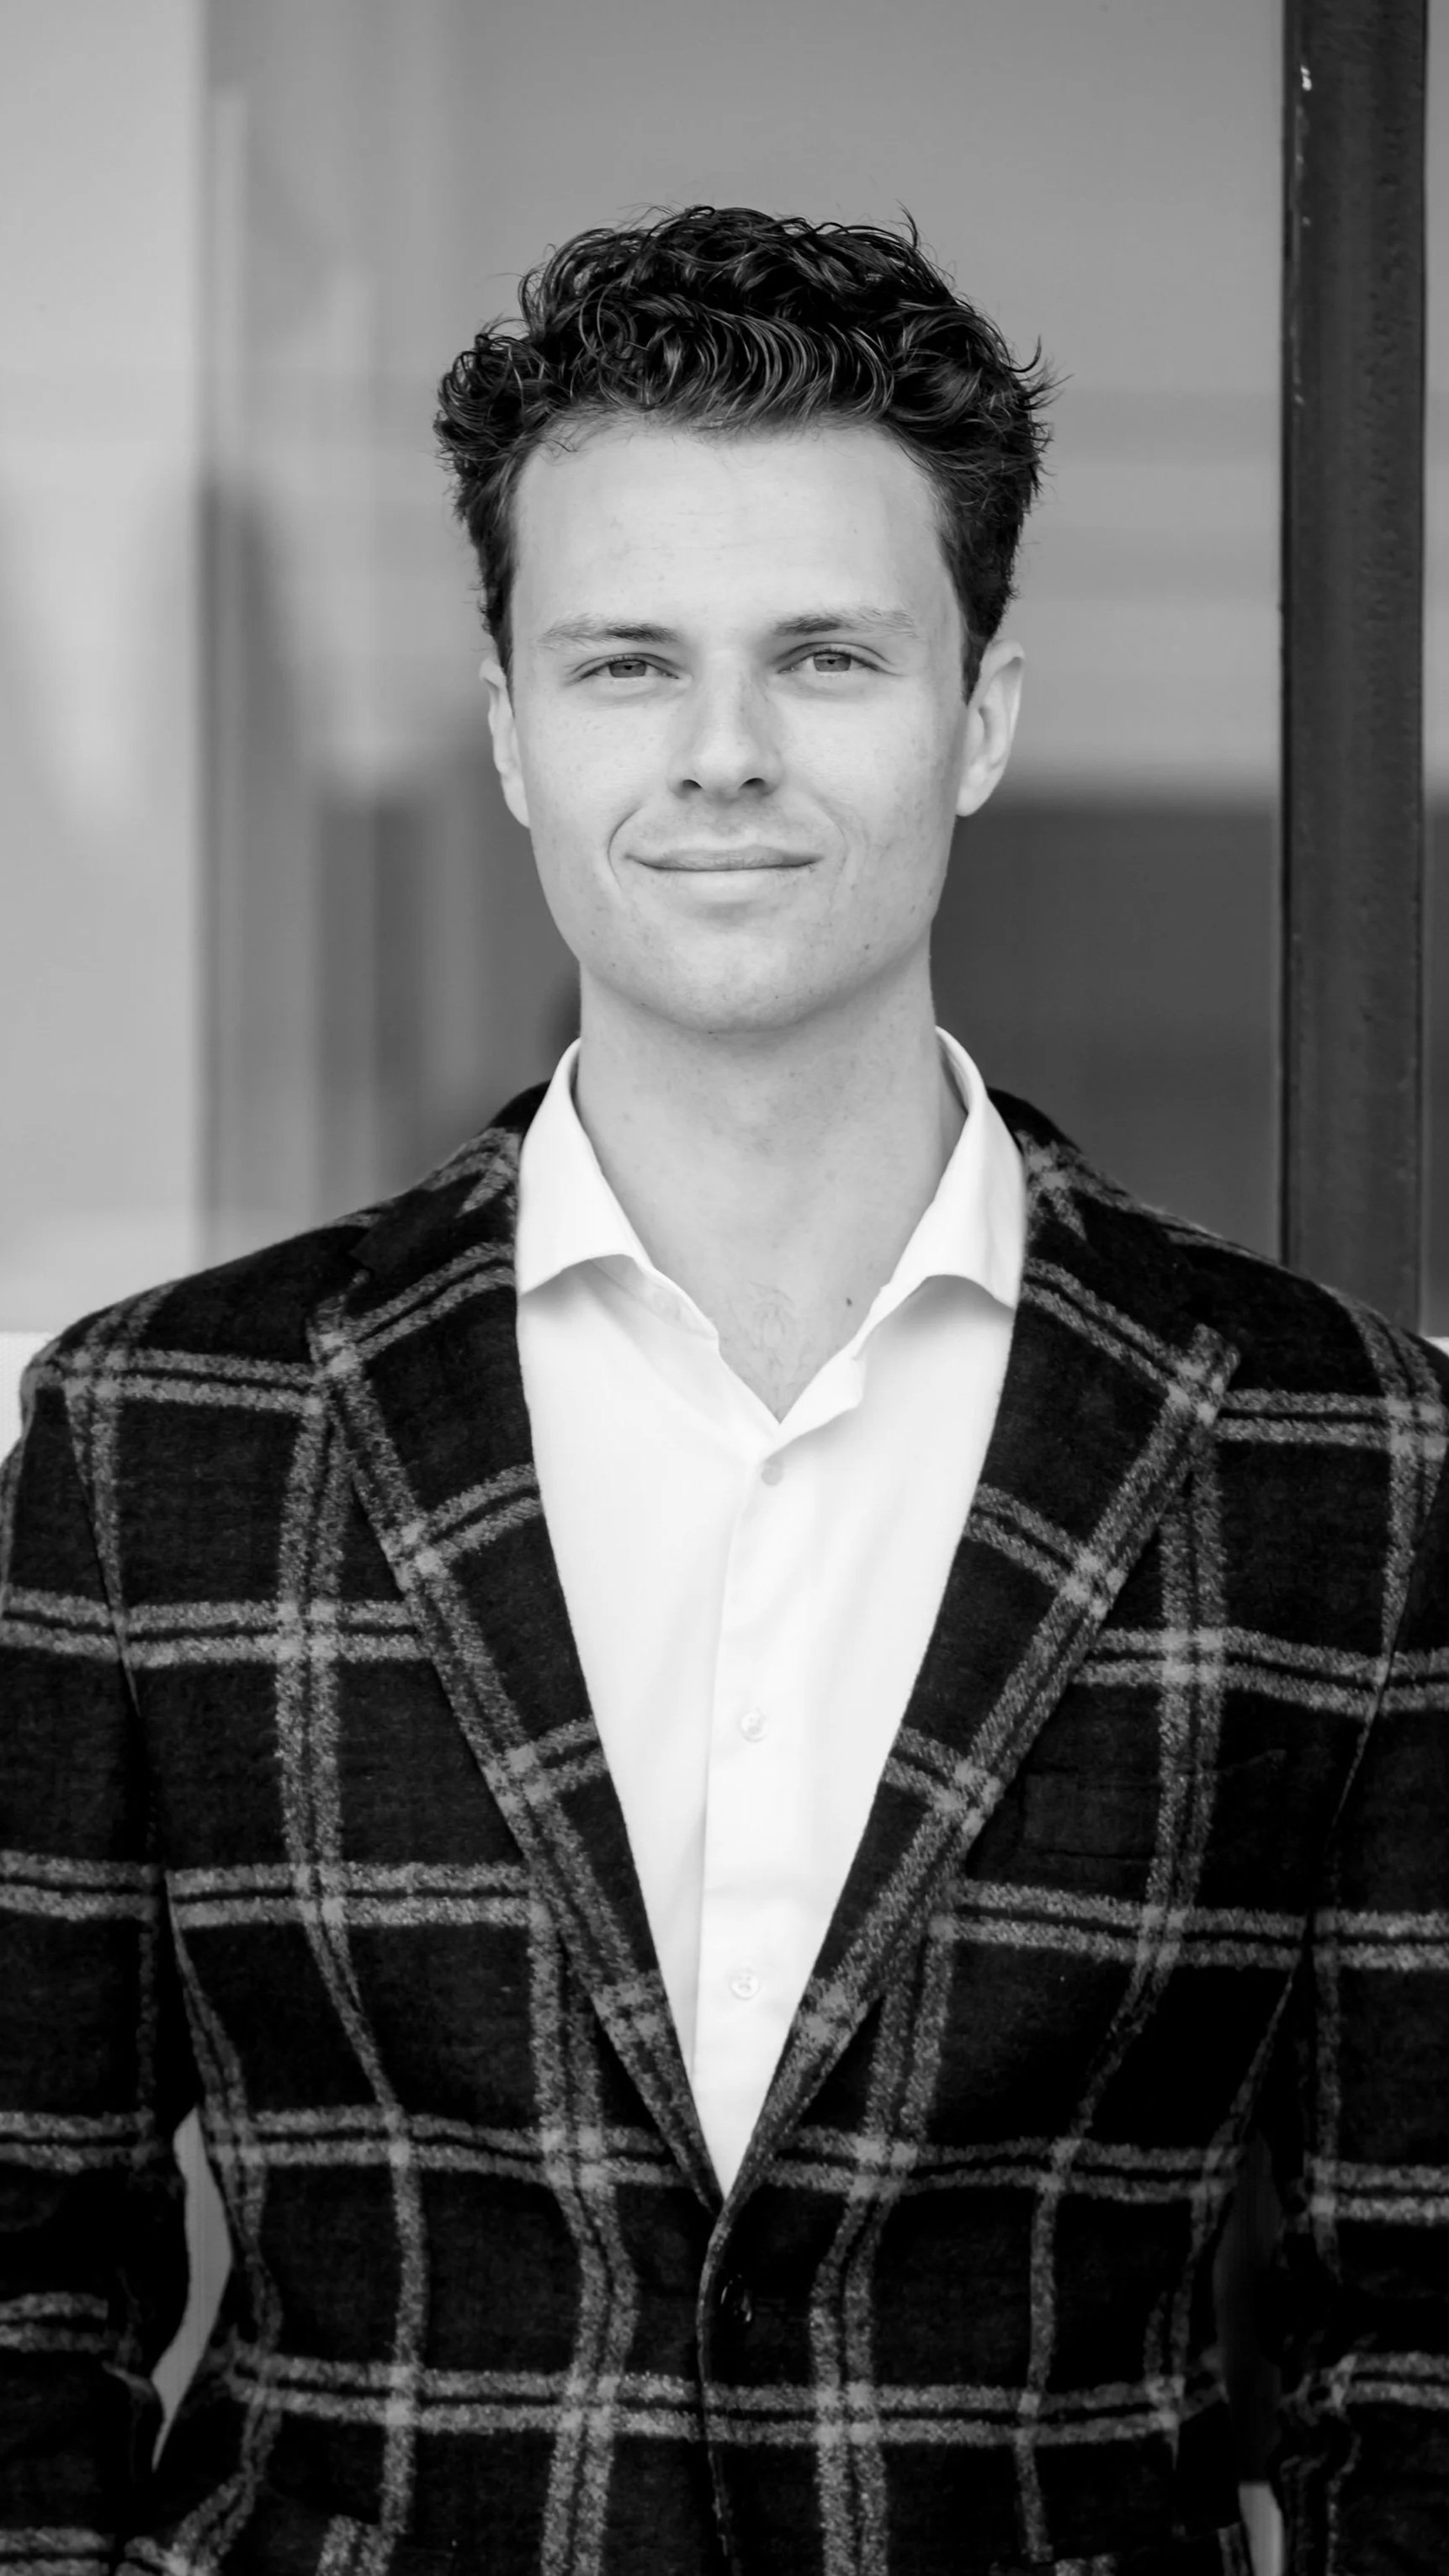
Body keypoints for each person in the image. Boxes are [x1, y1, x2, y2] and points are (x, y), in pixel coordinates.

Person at [1, 204, 1445, 2576]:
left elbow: (1413, 2333)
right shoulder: (167, 1437)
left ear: (978, 713)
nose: (722, 755)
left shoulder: (1347, 1460)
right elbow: (21, 2278)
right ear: (503, 727)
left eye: (827, 656)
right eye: (622, 663)